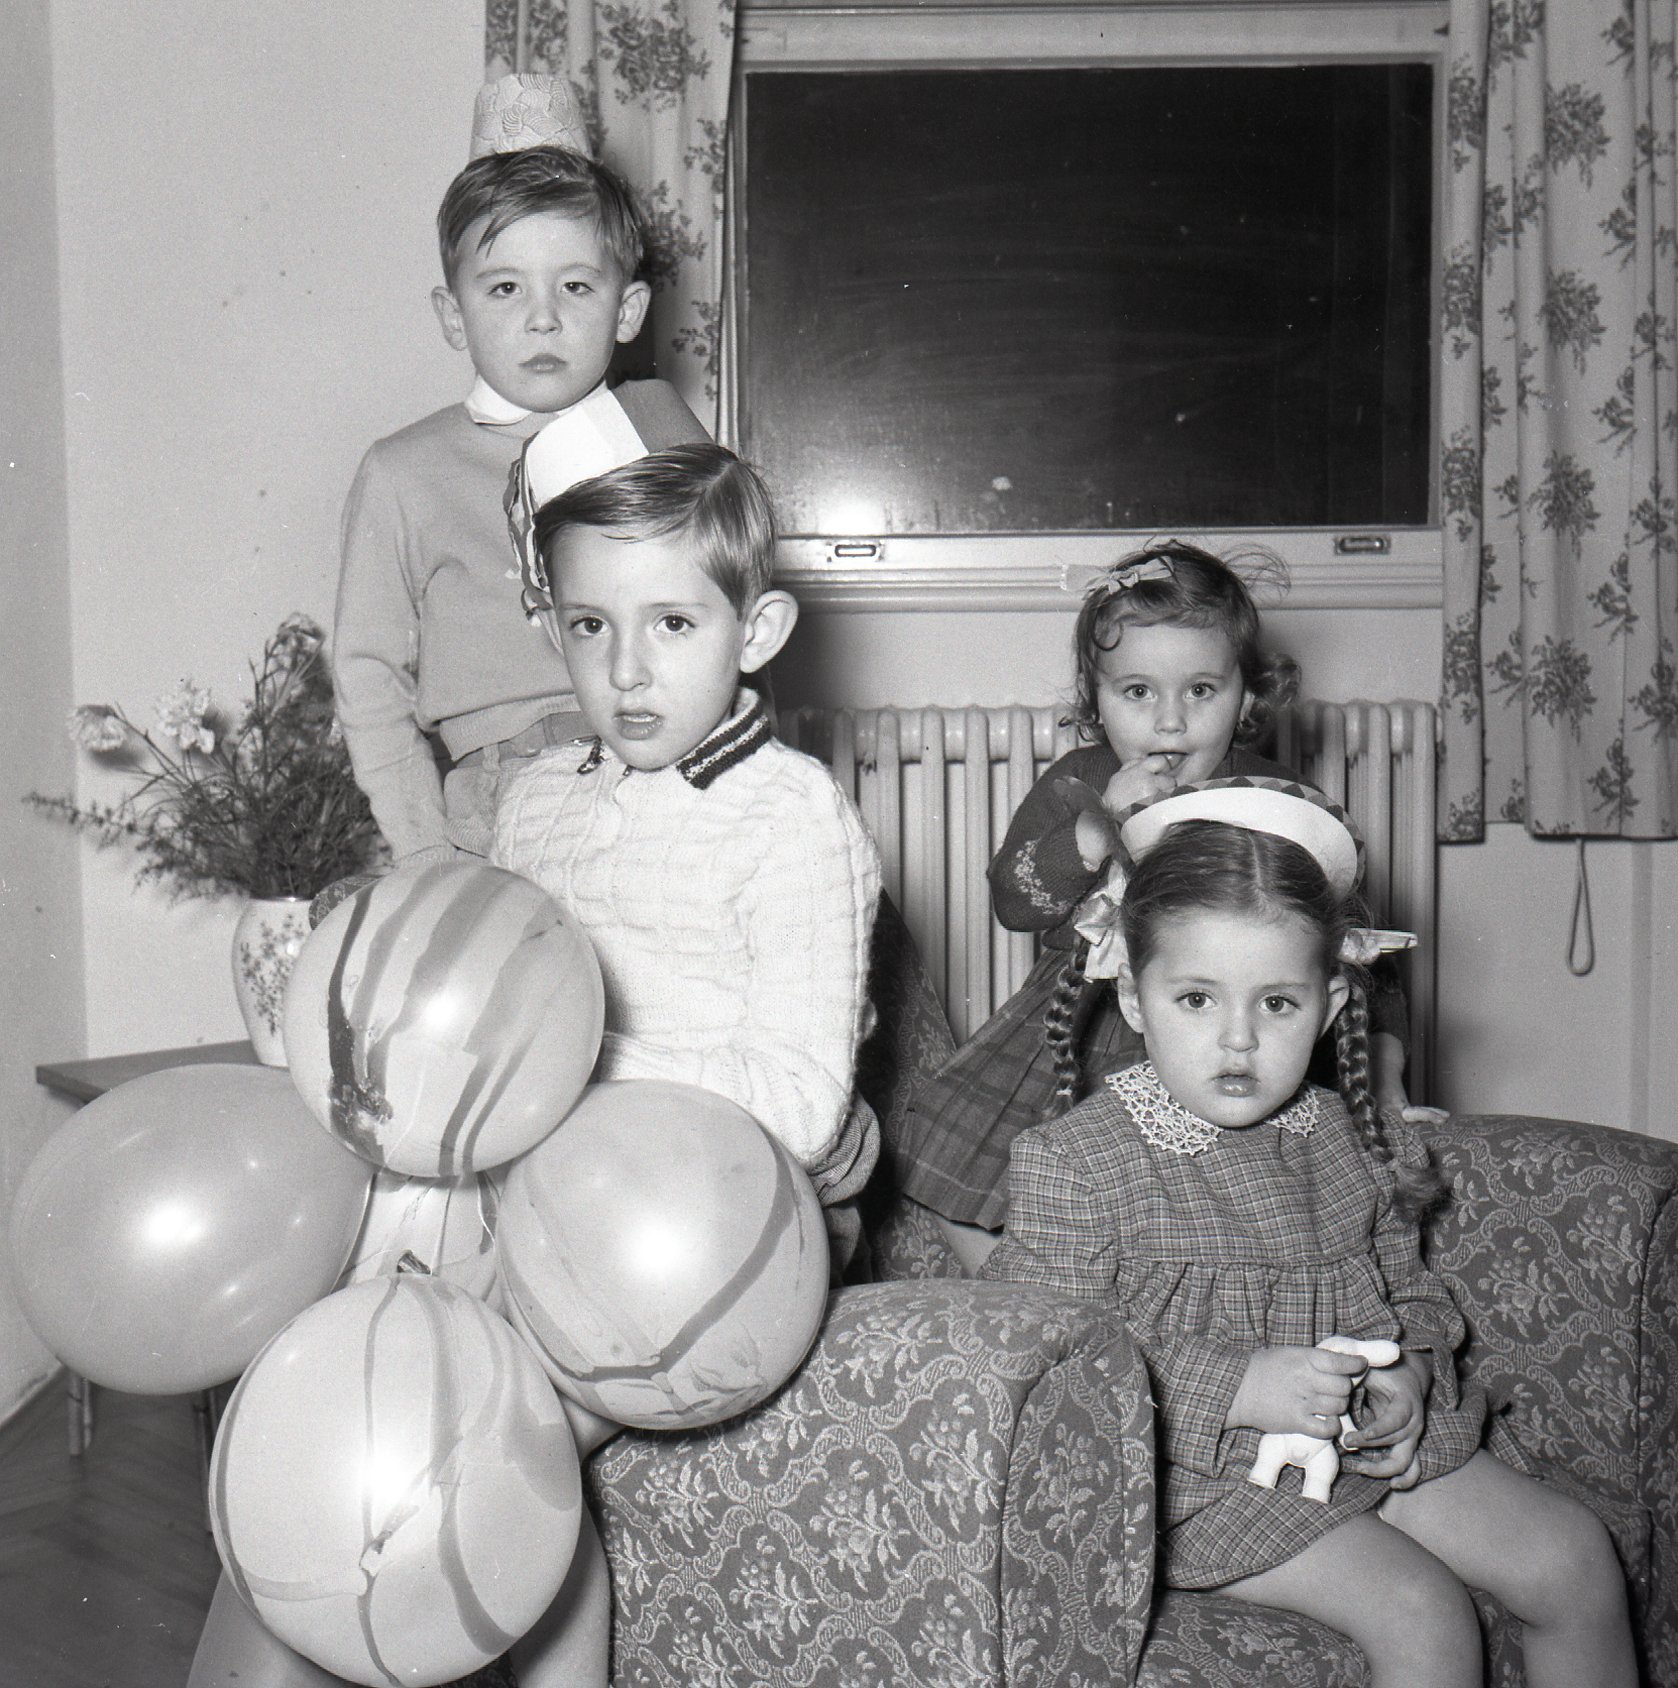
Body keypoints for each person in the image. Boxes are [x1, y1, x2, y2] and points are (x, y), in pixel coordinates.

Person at [980, 788, 1636, 1687]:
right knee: (1421, 1612)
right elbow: (1050, 1366)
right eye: (1197, 998)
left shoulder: (1351, 1139)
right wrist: (1241, 1386)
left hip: (1360, 1444)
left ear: (1328, 1007)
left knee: (1574, 1558)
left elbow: (1412, 1298)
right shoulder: (1077, 1162)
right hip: (1199, 1478)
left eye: (1278, 1004)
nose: (1238, 1040)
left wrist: (1408, 1376)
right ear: (1133, 995)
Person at [893, 541, 1421, 1265]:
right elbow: (1015, 901)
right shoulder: (1080, 779)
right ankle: (1038, 1296)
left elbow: (1357, 945)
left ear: (1247, 696)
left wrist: (1387, 1072)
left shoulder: (1278, 800)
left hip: (1219, 1019)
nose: (1170, 723)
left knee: (1196, 1207)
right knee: (953, 1163)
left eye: (1201, 690)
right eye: (1138, 692)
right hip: (1080, 1020)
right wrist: (1092, 830)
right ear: (1095, 697)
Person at [493, 442, 883, 1248]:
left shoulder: (792, 814)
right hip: (563, 1191)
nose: (625, 670)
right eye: (590, 625)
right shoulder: (533, 799)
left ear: (756, 632)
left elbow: (803, 1111)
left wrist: (575, 1061)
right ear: (550, 630)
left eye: (672, 623)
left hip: (741, 1206)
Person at [333, 82, 707, 867]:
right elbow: (369, 678)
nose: (543, 317)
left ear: (628, 310)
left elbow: (723, 622)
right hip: (497, 799)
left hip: (667, 776)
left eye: (576, 285)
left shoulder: (663, 441)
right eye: (505, 287)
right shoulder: (404, 472)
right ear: (453, 314)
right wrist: (425, 851)